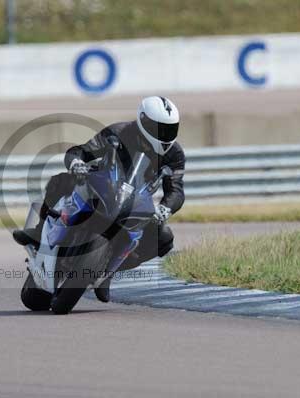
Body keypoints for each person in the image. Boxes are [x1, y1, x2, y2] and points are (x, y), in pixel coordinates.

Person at [13, 96, 186, 303]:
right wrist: (76, 162)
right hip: (103, 187)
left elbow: (176, 190)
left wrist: (165, 208)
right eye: (159, 129)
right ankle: (39, 231)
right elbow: (81, 151)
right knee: (60, 181)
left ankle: (108, 273)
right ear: (143, 121)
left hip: (137, 203)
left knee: (164, 238)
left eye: (169, 129)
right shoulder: (119, 132)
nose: (165, 136)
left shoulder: (174, 154)